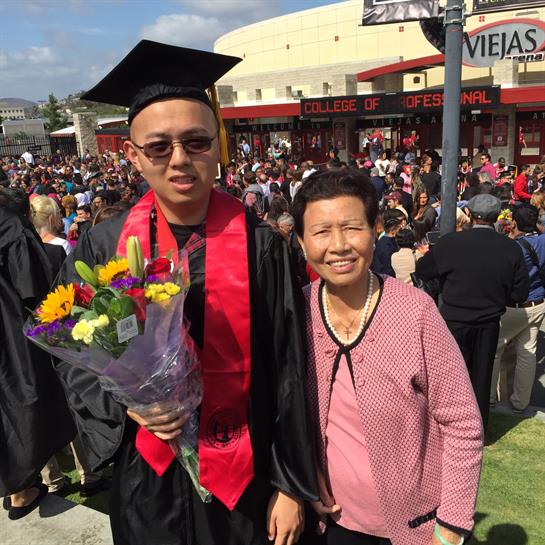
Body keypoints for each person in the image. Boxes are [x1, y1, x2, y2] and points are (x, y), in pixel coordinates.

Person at [54, 40, 318, 545]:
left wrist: (290, 485)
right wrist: (122, 405)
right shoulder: (104, 246)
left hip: (247, 476)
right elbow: (69, 354)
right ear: (132, 154)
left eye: (196, 142)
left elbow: (291, 367)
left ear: (217, 145)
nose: (179, 159)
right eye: (158, 146)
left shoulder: (261, 245)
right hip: (147, 469)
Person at [291, 169, 483, 545]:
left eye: (352, 228)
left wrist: (452, 526)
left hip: (416, 528)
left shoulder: (415, 312)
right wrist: (305, 471)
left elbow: (462, 423)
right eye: (321, 232)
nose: (339, 245)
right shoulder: (296, 311)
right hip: (330, 524)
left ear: (376, 228)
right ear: (301, 241)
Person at [416, 194, 529, 427]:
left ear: (469, 215)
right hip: (488, 320)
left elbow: (423, 271)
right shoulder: (510, 248)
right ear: (498, 218)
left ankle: (446, 423)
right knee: (481, 375)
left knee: (449, 374)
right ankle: (477, 427)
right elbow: (519, 294)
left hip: (453, 318)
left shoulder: (450, 242)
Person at [0, 189, 75, 520]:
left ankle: (14, 485)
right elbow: (31, 285)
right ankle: (22, 489)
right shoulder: (10, 223)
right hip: (8, 328)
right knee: (22, 400)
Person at [490, 204, 545, 414]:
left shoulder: (512, 246)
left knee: (495, 351)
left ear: (514, 222)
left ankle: (489, 398)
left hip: (513, 306)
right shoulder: (541, 241)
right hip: (538, 303)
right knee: (528, 353)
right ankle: (520, 402)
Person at [371, 209, 404, 277]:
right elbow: (388, 267)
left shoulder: (387, 240)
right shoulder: (386, 246)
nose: (400, 232)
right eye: (399, 230)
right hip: (384, 277)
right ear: (393, 231)